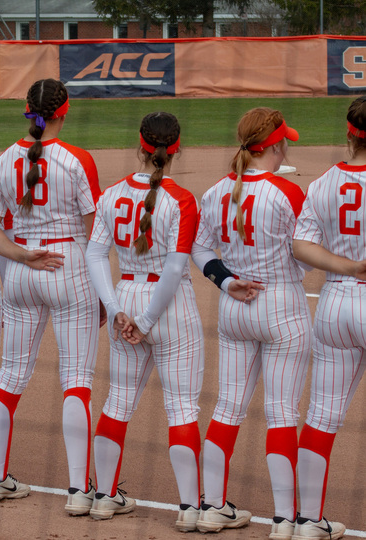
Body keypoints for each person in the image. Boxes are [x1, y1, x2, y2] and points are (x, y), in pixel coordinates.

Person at [87, 112, 223, 529]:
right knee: (181, 407)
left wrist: (116, 311)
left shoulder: (110, 195)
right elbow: (175, 267)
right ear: (176, 147)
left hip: (125, 297)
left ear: (140, 144)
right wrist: (145, 321)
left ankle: (104, 498)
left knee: (116, 402)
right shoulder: (181, 200)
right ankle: (189, 511)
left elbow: (94, 255)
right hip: (169, 308)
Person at [0, 78, 100, 510]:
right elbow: (95, 234)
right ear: (64, 111)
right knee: (77, 382)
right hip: (69, 267)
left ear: (27, 110)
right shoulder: (77, 159)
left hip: (22, 270)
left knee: (8, 378)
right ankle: (80, 491)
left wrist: (24, 256)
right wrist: (101, 291)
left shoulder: (4, 160)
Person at [191, 107, 310, 537]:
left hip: (234, 305)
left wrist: (226, 282)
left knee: (227, 407)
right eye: (284, 142)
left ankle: (211, 507)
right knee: (281, 413)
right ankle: (284, 520)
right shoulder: (289, 193)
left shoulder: (215, 191)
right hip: (281, 305)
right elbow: (308, 255)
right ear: (275, 145)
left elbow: (200, 252)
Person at [290, 95, 366, 540]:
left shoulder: (322, 184)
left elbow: (302, 247)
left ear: (348, 130)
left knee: (321, 415)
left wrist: (350, 267)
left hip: (335, 304)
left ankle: (306, 521)